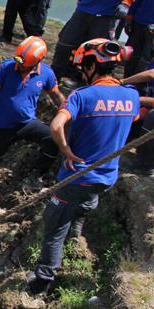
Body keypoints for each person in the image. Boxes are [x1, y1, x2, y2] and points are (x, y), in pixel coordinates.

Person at [28, 39, 139, 294]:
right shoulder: (131, 95)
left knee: (54, 226)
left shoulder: (82, 96)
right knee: (87, 203)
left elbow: (56, 126)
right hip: (107, 177)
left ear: (90, 66)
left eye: (83, 67)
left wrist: (65, 150)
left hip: (77, 177)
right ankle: (76, 234)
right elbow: (130, 118)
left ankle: (42, 281)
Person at [0, 37, 66, 207]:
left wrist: (68, 112)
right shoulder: (6, 67)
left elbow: (55, 95)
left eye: (24, 63)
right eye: (18, 60)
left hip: (26, 123)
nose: (19, 65)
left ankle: (37, 173)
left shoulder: (46, 73)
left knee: (52, 138)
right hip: (2, 126)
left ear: (37, 61)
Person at [50, 0, 131, 86]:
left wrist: (126, 3)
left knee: (98, 51)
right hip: (83, 9)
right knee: (66, 44)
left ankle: (82, 80)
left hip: (108, 14)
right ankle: (53, 77)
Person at [124, 0, 154, 77]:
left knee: (146, 59)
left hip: (145, 25)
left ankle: (138, 84)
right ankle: (126, 81)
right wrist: (129, 17)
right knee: (132, 54)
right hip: (138, 22)